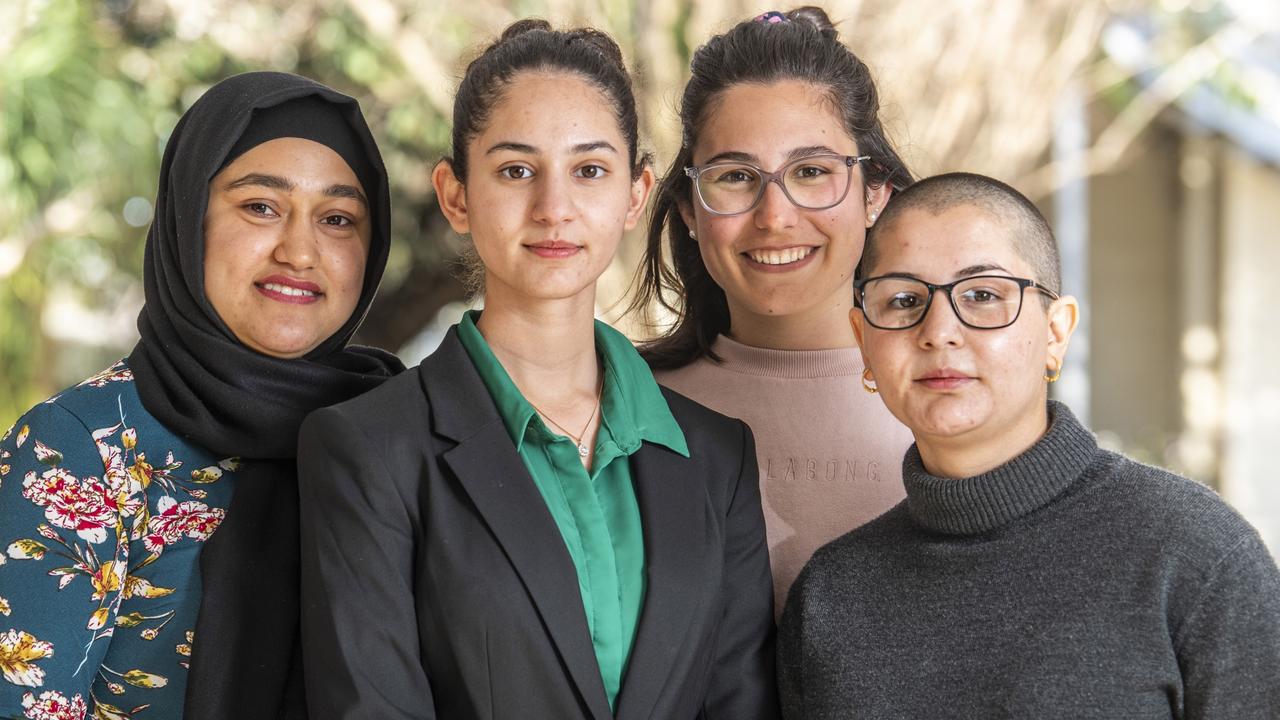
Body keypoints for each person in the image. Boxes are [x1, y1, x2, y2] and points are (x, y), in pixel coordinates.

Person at [297, 19, 778, 720]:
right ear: (456, 194)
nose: (554, 208)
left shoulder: (718, 455)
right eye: (516, 170)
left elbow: (739, 704)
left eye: (589, 170)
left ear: (636, 194)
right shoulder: (368, 450)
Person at [778, 172, 1280, 719]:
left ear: (1056, 332)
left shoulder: (1194, 555)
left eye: (984, 295)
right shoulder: (831, 596)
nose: (939, 330)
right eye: (903, 299)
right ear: (864, 342)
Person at [0, 71, 402, 719]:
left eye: (337, 218)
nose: (300, 250)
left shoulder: (400, 435)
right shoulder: (79, 449)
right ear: (189, 219)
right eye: (261, 207)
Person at [633, 6, 917, 613]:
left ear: (875, 193)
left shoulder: (956, 404)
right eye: (736, 176)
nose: (775, 216)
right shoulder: (622, 412)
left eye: (811, 171)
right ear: (687, 207)